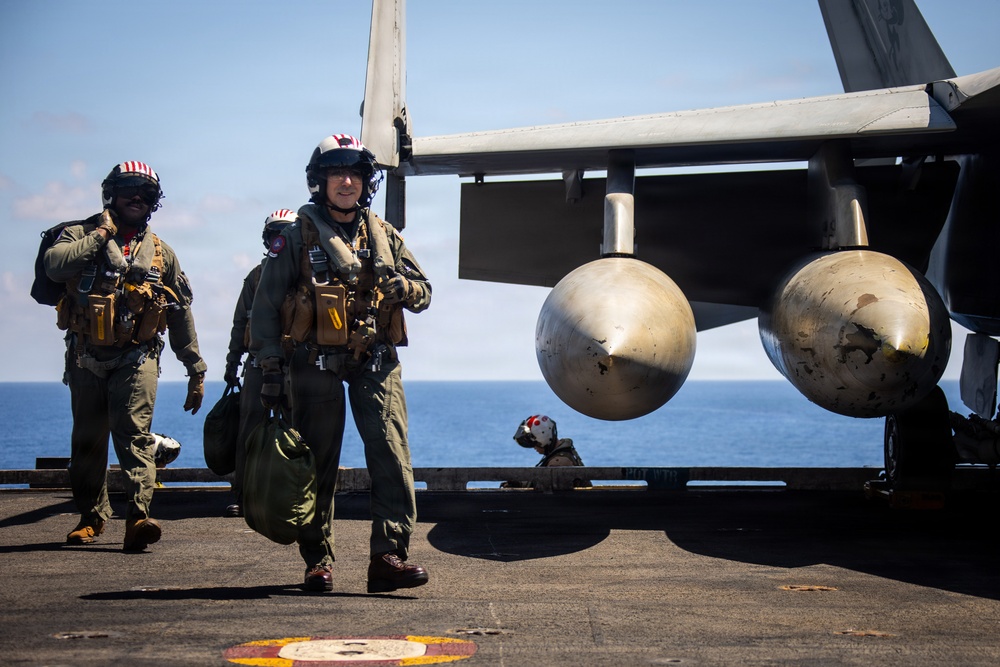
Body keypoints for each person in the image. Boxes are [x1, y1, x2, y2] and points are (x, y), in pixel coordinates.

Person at [250, 134, 432, 594]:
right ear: (320, 182)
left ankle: (388, 557)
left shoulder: (385, 236)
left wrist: (404, 291)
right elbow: (266, 306)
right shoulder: (295, 237)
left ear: (366, 182)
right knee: (317, 464)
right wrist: (270, 366)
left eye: (354, 174)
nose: (346, 182)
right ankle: (317, 561)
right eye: (336, 174)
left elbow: (424, 291)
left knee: (392, 455)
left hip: (375, 360)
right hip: (314, 364)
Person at [43, 161, 207, 552]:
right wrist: (101, 234)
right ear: (111, 194)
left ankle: (138, 517)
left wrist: (195, 369)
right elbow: (54, 266)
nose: (137, 197)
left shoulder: (161, 254)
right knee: (87, 441)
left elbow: (179, 310)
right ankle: (92, 517)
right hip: (85, 357)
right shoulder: (77, 234)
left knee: (133, 435)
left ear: (154, 203)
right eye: (129, 189)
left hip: (137, 356)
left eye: (146, 193)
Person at [221, 209, 296, 518]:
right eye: (274, 235)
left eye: (285, 234)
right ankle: (244, 494)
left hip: (296, 364)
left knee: (297, 430)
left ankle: (292, 495)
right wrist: (231, 363)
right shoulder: (255, 277)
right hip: (257, 365)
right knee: (249, 430)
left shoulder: (308, 273)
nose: (279, 241)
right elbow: (241, 323)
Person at [503, 414, 590, 488]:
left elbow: (544, 493)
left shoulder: (558, 463)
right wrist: (519, 484)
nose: (534, 448)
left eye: (535, 444)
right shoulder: (562, 452)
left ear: (542, 441)